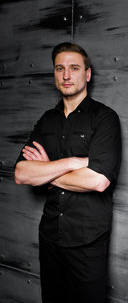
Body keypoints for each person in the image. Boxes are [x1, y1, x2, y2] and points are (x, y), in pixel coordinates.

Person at [14, 42, 122, 303]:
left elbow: (97, 180)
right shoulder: (46, 120)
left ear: (87, 74)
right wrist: (75, 161)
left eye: (74, 68)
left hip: (89, 241)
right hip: (50, 236)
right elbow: (21, 174)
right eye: (59, 68)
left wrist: (46, 172)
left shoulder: (105, 118)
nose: (66, 75)